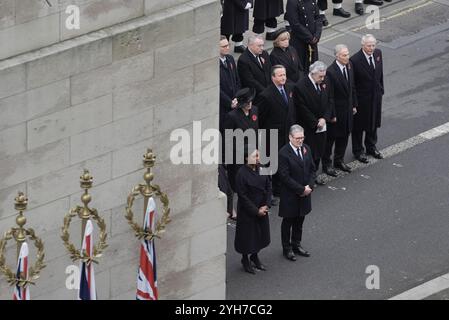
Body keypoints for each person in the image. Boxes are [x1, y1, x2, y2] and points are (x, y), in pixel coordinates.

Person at [256, 65, 296, 197]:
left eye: (284, 74)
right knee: (272, 165)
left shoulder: (289, 88)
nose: (283, 77)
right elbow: (261, 119)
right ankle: (269, 192)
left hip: (287, 133)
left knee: (284, 162)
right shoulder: (266, 95)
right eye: (280, 75)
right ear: (273, 77)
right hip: (273, 136)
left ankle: (280, 188)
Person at [292, 61, 334, 184]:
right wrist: (316, 122)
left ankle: (314, 174)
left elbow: (330, 100)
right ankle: (306, 176)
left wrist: (324, 118)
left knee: (319, 151)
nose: (323, 79)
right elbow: (302, 108)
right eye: (320, 76)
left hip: (322, 124)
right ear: (312, 73)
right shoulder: (300, 86)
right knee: (308, 152)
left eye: (324, 76)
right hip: (309, 126)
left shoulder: (325, 81)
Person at [278, 125, 315, 261]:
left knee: (300, 220)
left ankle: (296, 244)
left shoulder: (306, 148)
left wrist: (310, 186)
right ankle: (286, 248)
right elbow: (284, 177)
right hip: (291, 195)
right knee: (288, 222)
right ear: (290, 137)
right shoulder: (283, 153)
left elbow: (312, 168)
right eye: (297, 138)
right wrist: (301, 189)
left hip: (305, 192)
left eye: (302, 137)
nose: (300, 141)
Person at [235, 147, 271, 274]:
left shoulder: (262, 168)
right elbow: (243, 197)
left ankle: (255, 256)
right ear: (246, 158)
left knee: (260, 234)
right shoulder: (241, 174)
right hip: (248, 211)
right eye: (255, 156)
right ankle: (245, 259)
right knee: (247, 237)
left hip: (262, 207)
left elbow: (268, 186)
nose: (258, 159)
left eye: (258, 156)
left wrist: (266, 205)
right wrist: (256, 211)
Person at [322, 44, 358, 175]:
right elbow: (329, 96)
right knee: (331, 140)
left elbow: (352, 87)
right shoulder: (331, 72)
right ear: (336, 56)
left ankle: (339, 160)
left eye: (347, 54)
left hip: (347, 110)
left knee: (344, 136)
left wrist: (354, 104)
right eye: (344, 55)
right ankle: (327, 164)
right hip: (336, 112)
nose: (347, 57)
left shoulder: (349, 66)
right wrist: (331, 115)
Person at [350, 34, 384, 163]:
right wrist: (354, 102)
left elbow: (380, 73)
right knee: (359, 127)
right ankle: (358, 151)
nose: (371, 48)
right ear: (362, 45)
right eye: (369, 46)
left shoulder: (378, 53)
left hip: (376, 96)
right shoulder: (355, 60)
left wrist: (381, 90)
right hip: (362, 99)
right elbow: (353, 84)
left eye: (373, 45)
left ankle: (371, 146)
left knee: (373, 123)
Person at [223, 88, 259, 192]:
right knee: (239, 184)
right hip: (237, 155)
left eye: (250, 101)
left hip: (252, 152)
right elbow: (228, 138)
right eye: (246, 102)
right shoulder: (232, 116)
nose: (249, 104)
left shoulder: (255, 110)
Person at [285, 0, 322, 74]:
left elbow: (318, 17)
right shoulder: (292, 2)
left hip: (313, 40)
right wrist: (309, 37)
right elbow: (295, 23)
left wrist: (317, 35)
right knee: (301, 69)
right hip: (299, 41)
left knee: (313, 67)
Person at [219, 36, 241, 134]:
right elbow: (218, 89)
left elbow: (237, 80)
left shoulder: (230, 58)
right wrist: (229, 102)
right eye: (224, 46)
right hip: (223, 106)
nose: (227, 48)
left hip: (235, 101)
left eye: (228, 45)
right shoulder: (215, 64)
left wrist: (237, 97)